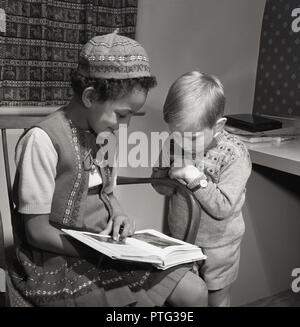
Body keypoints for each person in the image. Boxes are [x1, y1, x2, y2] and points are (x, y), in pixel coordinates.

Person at [9, 32, 208, 307]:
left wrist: (120, 213)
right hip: (57, 253)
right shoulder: (42, 141)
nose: (123, 125)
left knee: (195, 291)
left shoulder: (105, 136)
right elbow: (37, 231)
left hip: (105, 246)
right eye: (122, 114)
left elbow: (107, 193)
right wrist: (96, 251)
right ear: (90, 97)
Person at [152, 71, 252, 307]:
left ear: (218, 126)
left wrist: (194, 177)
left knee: (217, 301)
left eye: (193, 137)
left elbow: (223, 207)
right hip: (181, 239)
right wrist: (166, 175)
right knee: (185, 300)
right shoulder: (175, 143)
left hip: (220, 246)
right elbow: (161, 188)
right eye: (176, 134)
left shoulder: (235, 154)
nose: (183, 143)